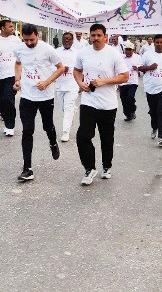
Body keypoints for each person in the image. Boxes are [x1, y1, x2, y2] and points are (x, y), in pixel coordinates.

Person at [73, 23, 129, 185]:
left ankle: (106, 166)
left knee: (106, 138)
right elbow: (77, 70)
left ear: (105, 37)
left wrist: (104, 81)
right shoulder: (83, 53)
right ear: (89, 36)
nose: (96, 38)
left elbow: (125, 76)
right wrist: (80, 83)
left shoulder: (113, 54)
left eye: (99, 35)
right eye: (93, 35)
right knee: (83, 135)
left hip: (107, 104)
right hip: (88, 101)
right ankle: (89, 168)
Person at [13, 24, 64, 182]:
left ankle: (53, 143)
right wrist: (17, 80)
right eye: (26, 40)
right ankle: (27, 168)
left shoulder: (47, 49)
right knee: (27, 130)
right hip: (27, 96)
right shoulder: (19, 49)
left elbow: (61, 68)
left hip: (45, 96)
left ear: (38, 36)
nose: (29, 43)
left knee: (47, 126)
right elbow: (18, 63)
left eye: (32, 39)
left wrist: (47, 82)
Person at [137, 34, 162, 147]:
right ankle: (154, 127)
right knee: (153, 112)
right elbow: (139, 67)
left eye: (161, 42)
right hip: (150, 87)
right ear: (153, 43)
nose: (159, 44)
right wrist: (149, 67)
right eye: (157, 42)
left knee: (161, 111)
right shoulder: (147, 54)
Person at [55, 32, 80, 142]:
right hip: (60, 85)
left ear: (72, 40)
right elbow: (50, 68)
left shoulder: (78, 53)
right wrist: (60, 70)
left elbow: (81, 69)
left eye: (69, 39)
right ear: (62, 40)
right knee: (64, 108)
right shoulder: (56, 52)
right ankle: (73, 112)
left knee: (68, 107)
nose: (67, 41)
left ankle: (66, 132)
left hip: (72, 85)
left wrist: (81, 82)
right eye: (65, 39)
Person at [120, 42, 142, 122]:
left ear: (133, 50)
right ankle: (128, 115)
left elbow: (142, 68)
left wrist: (138, 68)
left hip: (133, 82)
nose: (128, 52)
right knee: (124, 100)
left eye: (130, 50)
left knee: (130, 97)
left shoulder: (138, 57)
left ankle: (133, 110)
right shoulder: (121, 57)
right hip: (122, 82)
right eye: (127, 50)